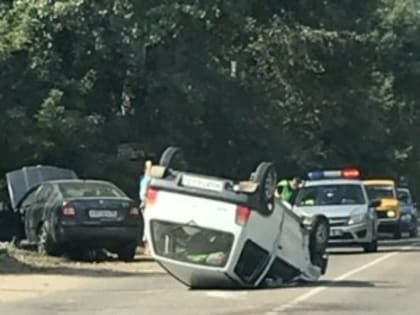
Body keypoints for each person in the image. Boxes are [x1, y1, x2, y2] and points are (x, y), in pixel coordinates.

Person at [138, 160, 152, 255]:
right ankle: (148, 247)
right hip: (148, 205)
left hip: (151, 204)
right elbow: (143, 194)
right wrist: (145, 201)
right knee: (147, 225)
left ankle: (149, 247)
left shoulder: (149, 179)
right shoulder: (146, 180)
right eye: (148, 167)